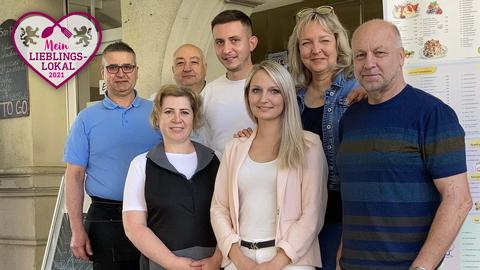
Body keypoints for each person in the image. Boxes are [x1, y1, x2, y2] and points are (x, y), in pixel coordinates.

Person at [336, 19, 472, 270]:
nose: (369, 63)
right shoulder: (350, 119)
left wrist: (422, 267)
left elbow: (458, 199)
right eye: (360, 55)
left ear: (401, 57)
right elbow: (355, 200)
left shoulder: (433, 115)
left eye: (379, 53)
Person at [210, 60, 328, 270]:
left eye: (274, 91)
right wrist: (237, 257)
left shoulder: (309, 146)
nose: (264, 99)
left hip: (292, 261)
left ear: (287, 96)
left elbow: (313, 214)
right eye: (256, 90)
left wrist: (276, 263)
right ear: (247, 96)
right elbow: (219, 208)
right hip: (239, 261)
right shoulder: (235, 147)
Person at [64, 41, 162, 269]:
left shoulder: (158, 113)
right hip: (106, 218)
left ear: (137, 71)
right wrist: (76, 230)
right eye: (113, 67)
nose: (121, 74)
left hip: (155, 216)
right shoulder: (85, 119)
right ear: (103, 72)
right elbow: (74, 176)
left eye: (128, 67)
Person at [286, 6, 362, 269]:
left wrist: (371, 96)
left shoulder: (358, 90)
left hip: (343, 213)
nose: (315, 49)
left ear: (338, 44)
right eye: (306, 43)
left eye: (324, 40)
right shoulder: (292, 97)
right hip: (300, 212)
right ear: (298, 50)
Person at [123, 85, 222, 270]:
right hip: (162, 265)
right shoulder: (142, 164)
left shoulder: (216, 159)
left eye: (184, 112)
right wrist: (173, 263)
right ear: (157, 117)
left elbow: (232, 218)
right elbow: (134, 227)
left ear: (194, 118)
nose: (177, 119)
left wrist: (216, 259)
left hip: (214, 264)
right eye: (169, 112)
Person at [201, 10, 257, 156]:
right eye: (220, 42)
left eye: (234, 40)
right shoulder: (208, 93)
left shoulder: (274, 86)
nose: (226, 50)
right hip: (220, 176)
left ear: (251, 43)